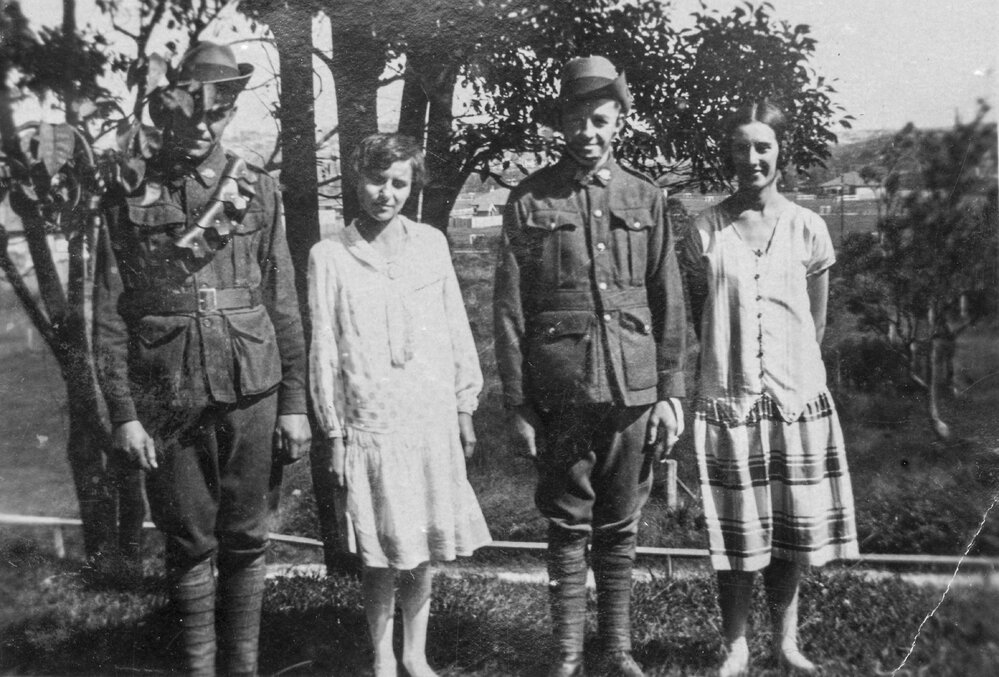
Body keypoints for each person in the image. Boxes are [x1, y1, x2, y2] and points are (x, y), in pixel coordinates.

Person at [93, 42, 311, 676]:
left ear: (230, 113)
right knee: (188, 540)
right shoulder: (130, 196)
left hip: (252, 388)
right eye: (189, 115)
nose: (201, 129)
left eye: (216, 116)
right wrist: (126, 415)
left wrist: (294, 403)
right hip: (168, 391)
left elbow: (284, 302)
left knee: (246, 536)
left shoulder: (258, 191)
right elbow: (109, 314)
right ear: (168, 112)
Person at [494, 56, 687, 677]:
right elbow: (509, 311)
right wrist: (519, 403)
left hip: (632, 389)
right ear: (561, 125)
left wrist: (669, 392)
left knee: (622, 521)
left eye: (600, 120)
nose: (588, 132)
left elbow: (668, 301)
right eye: (576, 120)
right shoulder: (529, 201)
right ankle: (566, 653)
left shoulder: (646, 197)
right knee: (566, 521)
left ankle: (619, 648)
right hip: (561, 390)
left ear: (619, 123)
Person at [680, 100, 859, 676]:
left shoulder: (809, 227)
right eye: (741, 147)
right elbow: (697, 314)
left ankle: (785, 642)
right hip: (730, 399)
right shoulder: (703, 230)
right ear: (728, 154)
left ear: (781, 151)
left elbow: (818, 321)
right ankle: (735, 645)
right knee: (736, 533)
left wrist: (790, 377)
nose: (752, 158)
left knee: (789, 528)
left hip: (795, 400)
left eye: (764, 146)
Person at [308, 133, 491, 677]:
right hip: (371, 419)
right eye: (375, 180)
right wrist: (334, 434)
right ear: (355, 179)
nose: (385, 193)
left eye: (398, 183)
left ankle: (416, 653)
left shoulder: (431, 243)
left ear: (412, 187)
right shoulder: (330, 255)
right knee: (382, 549)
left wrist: (464, 407)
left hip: (427, 416)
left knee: (421, 545)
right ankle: (382, 656)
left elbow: (456, 326)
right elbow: (324, 349)